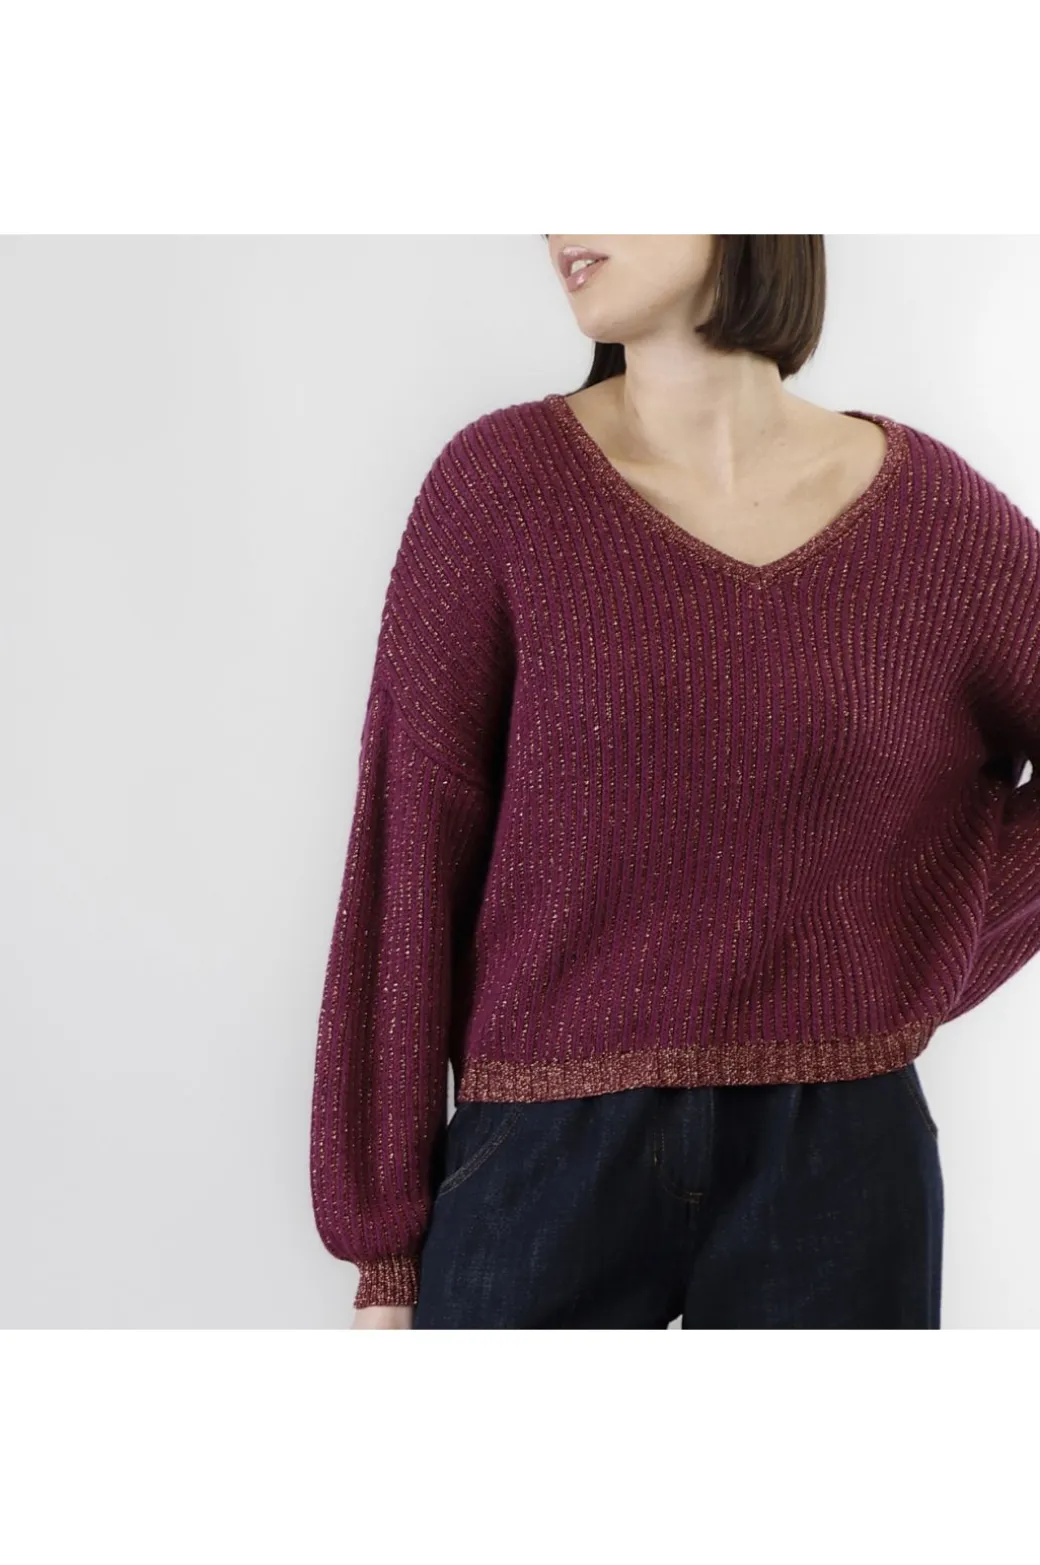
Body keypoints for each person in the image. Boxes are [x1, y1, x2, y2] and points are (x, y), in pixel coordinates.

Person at [309, 234, 1040, 1329]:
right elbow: (407, 844)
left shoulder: (931, 523)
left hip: (839, 1157)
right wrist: (383, 1254)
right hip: (542, 1157)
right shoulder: (501, 489)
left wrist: (921, 945)